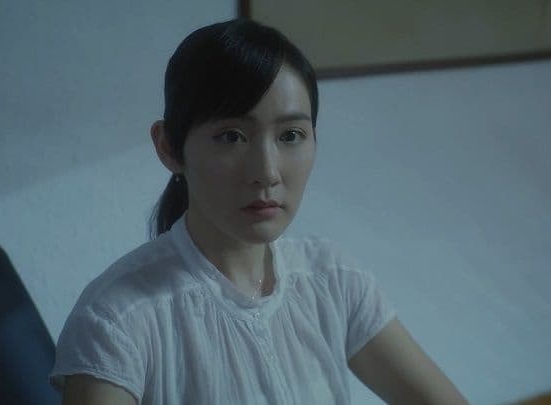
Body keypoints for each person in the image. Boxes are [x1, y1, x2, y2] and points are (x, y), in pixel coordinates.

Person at [49, 18, 468, 405]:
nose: (267, 172)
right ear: (169, 148)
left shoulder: (333, 281)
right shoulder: (116, 320)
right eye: (231, 136)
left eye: (291, 135)